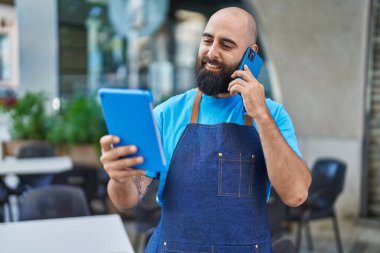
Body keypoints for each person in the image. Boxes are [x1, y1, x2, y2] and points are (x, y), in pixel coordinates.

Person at [100, 7, 311, 253]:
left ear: (250, 55)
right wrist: (119, 178)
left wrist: (260, 114)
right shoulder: (168, 114)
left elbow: (295, 194)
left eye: (226, 45)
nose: (211, 53)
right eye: (207, 40)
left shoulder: (272, 116)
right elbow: (127, 200)